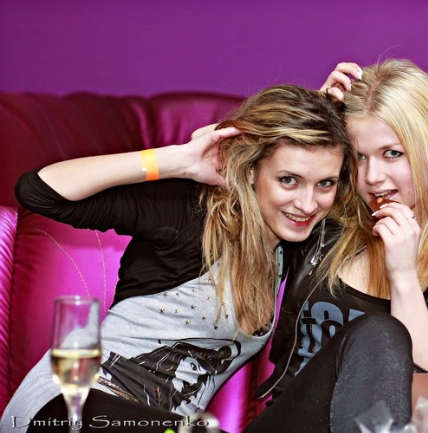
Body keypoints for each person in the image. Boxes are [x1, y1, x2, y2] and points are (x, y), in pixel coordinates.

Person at [0, 84, 358, 432]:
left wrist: (325, 111)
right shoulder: (191, 215)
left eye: (324, 183)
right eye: (289, 180)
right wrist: (179, 160)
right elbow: (39, 191)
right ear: (251, 170)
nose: (308, 204)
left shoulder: (295, 244)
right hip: (71, 406)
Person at [242, 59, 428, 433]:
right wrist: (311, 117)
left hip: (404, 426)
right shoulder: (321, 222)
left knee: (382, 333)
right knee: (378, 331)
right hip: (290, 424)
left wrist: (403, 276)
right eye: (358, 157)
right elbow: (228, 168)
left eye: (392, 154)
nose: (372, 178)